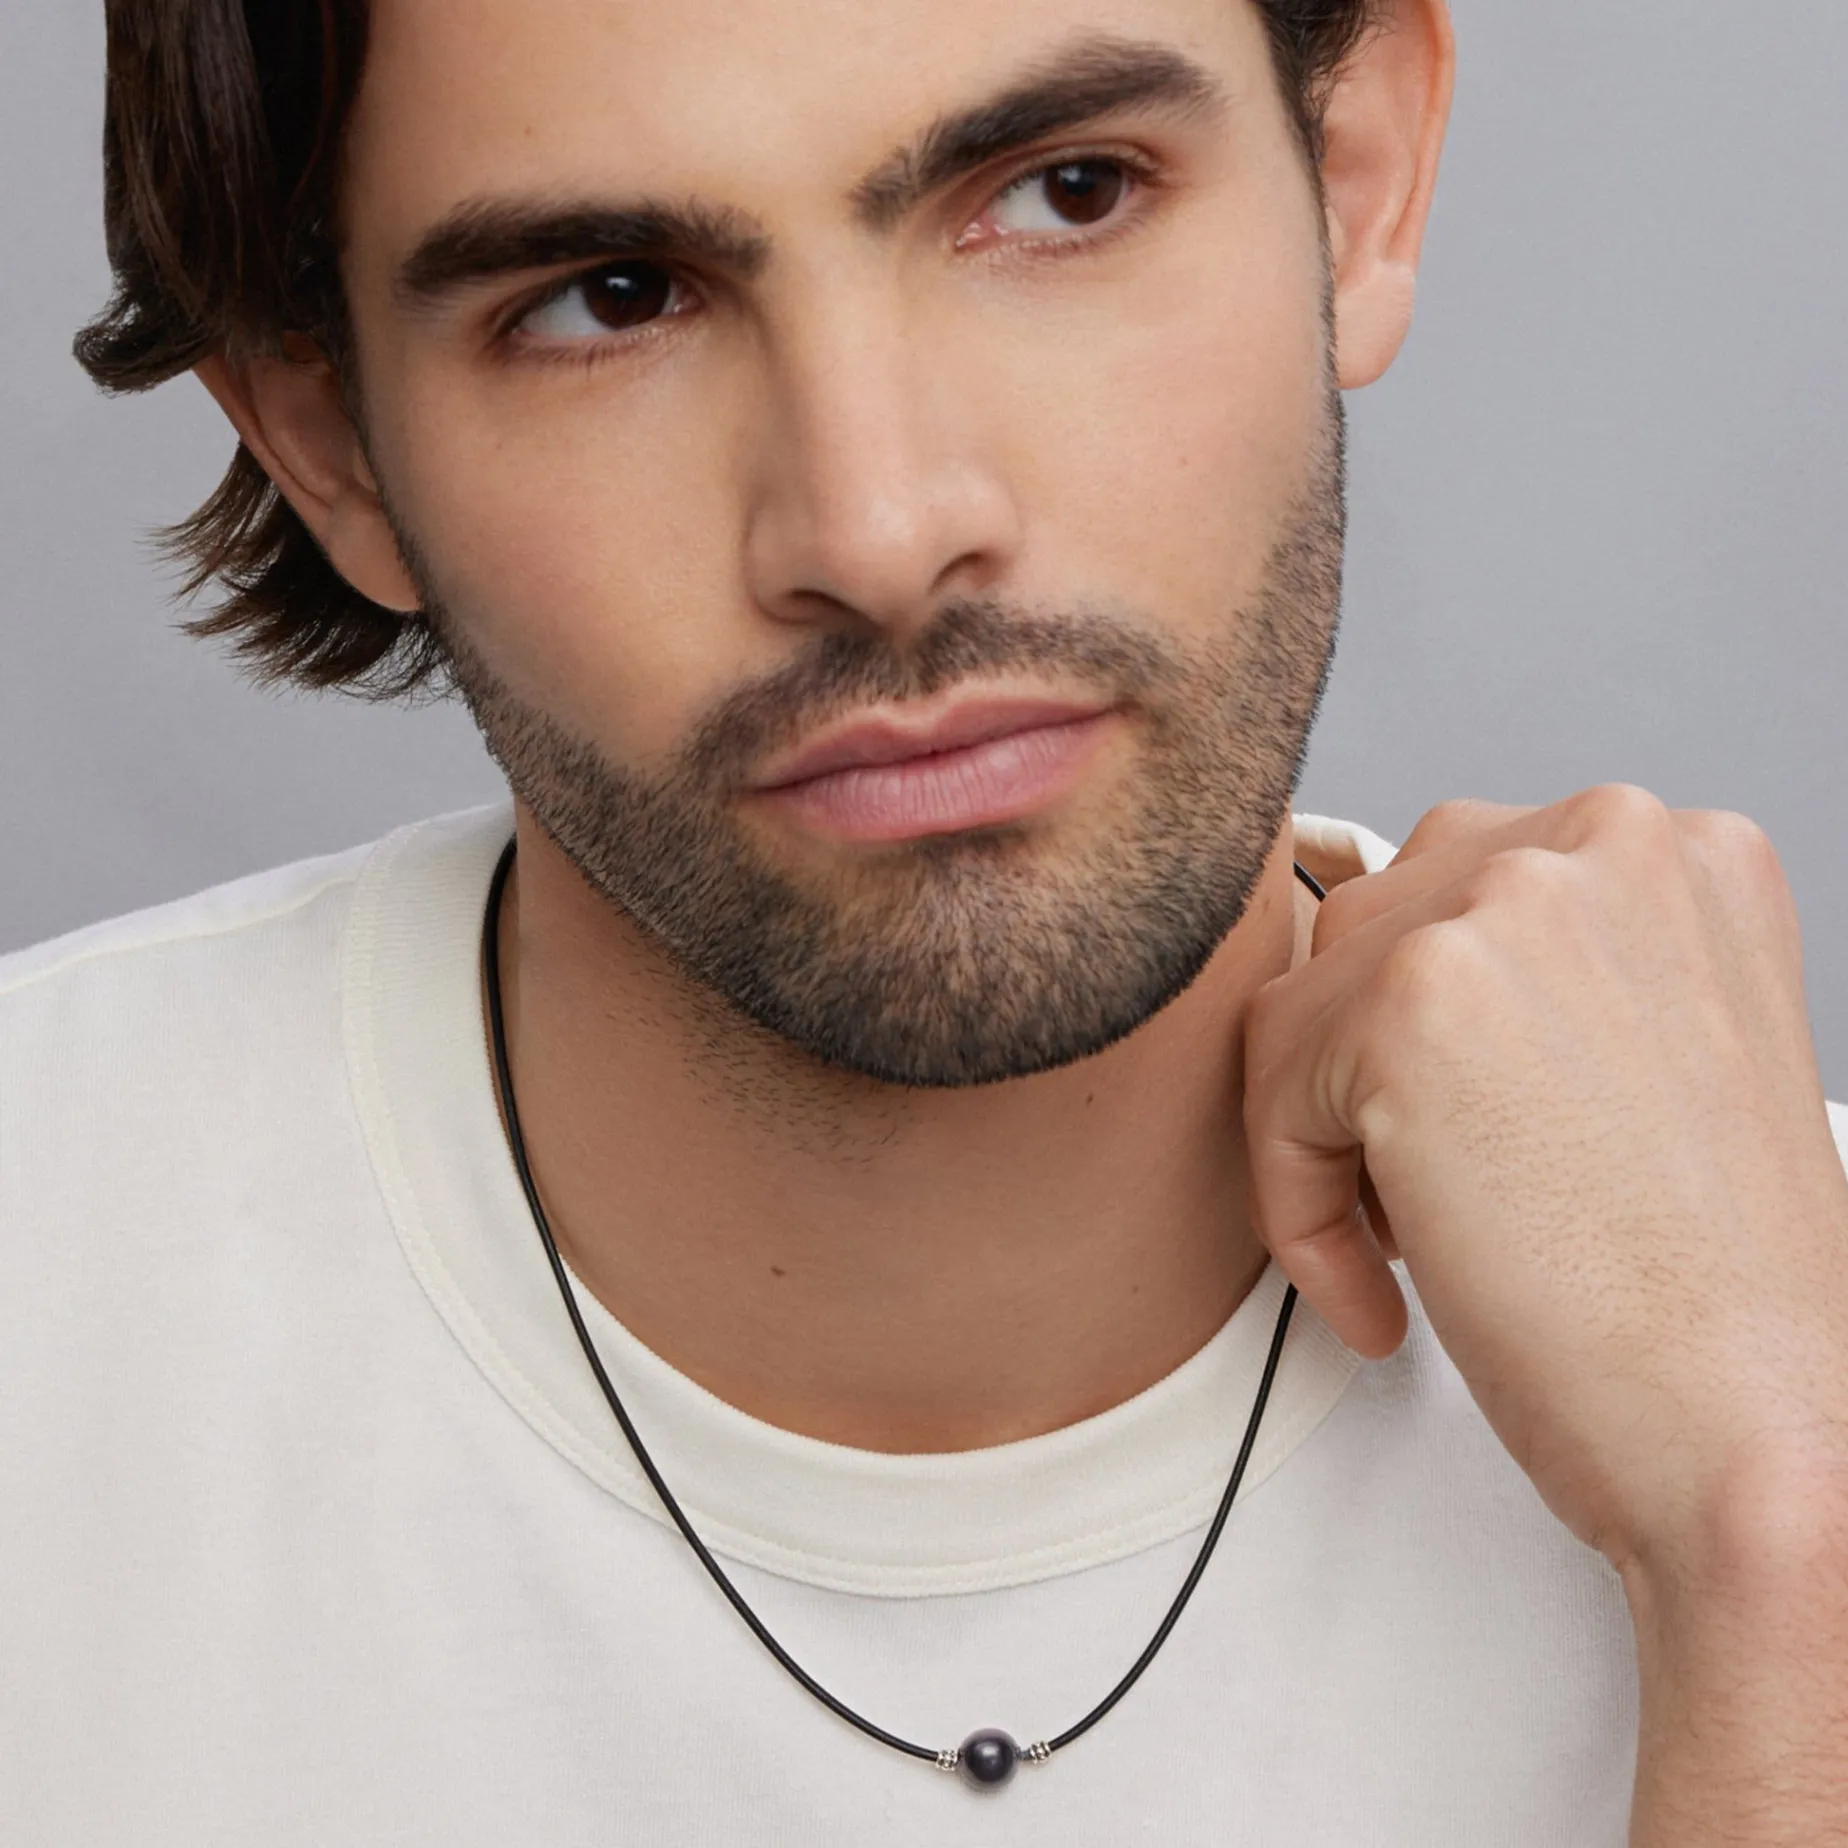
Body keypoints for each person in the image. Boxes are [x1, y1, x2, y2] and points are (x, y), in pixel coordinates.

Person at [5, 0, 1846, 1839]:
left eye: (1065, 194)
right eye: (611, 299)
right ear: (331, 441)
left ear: (1354, 178)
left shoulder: (1803, 1367)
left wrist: (1777, 1539)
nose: (879, 532)